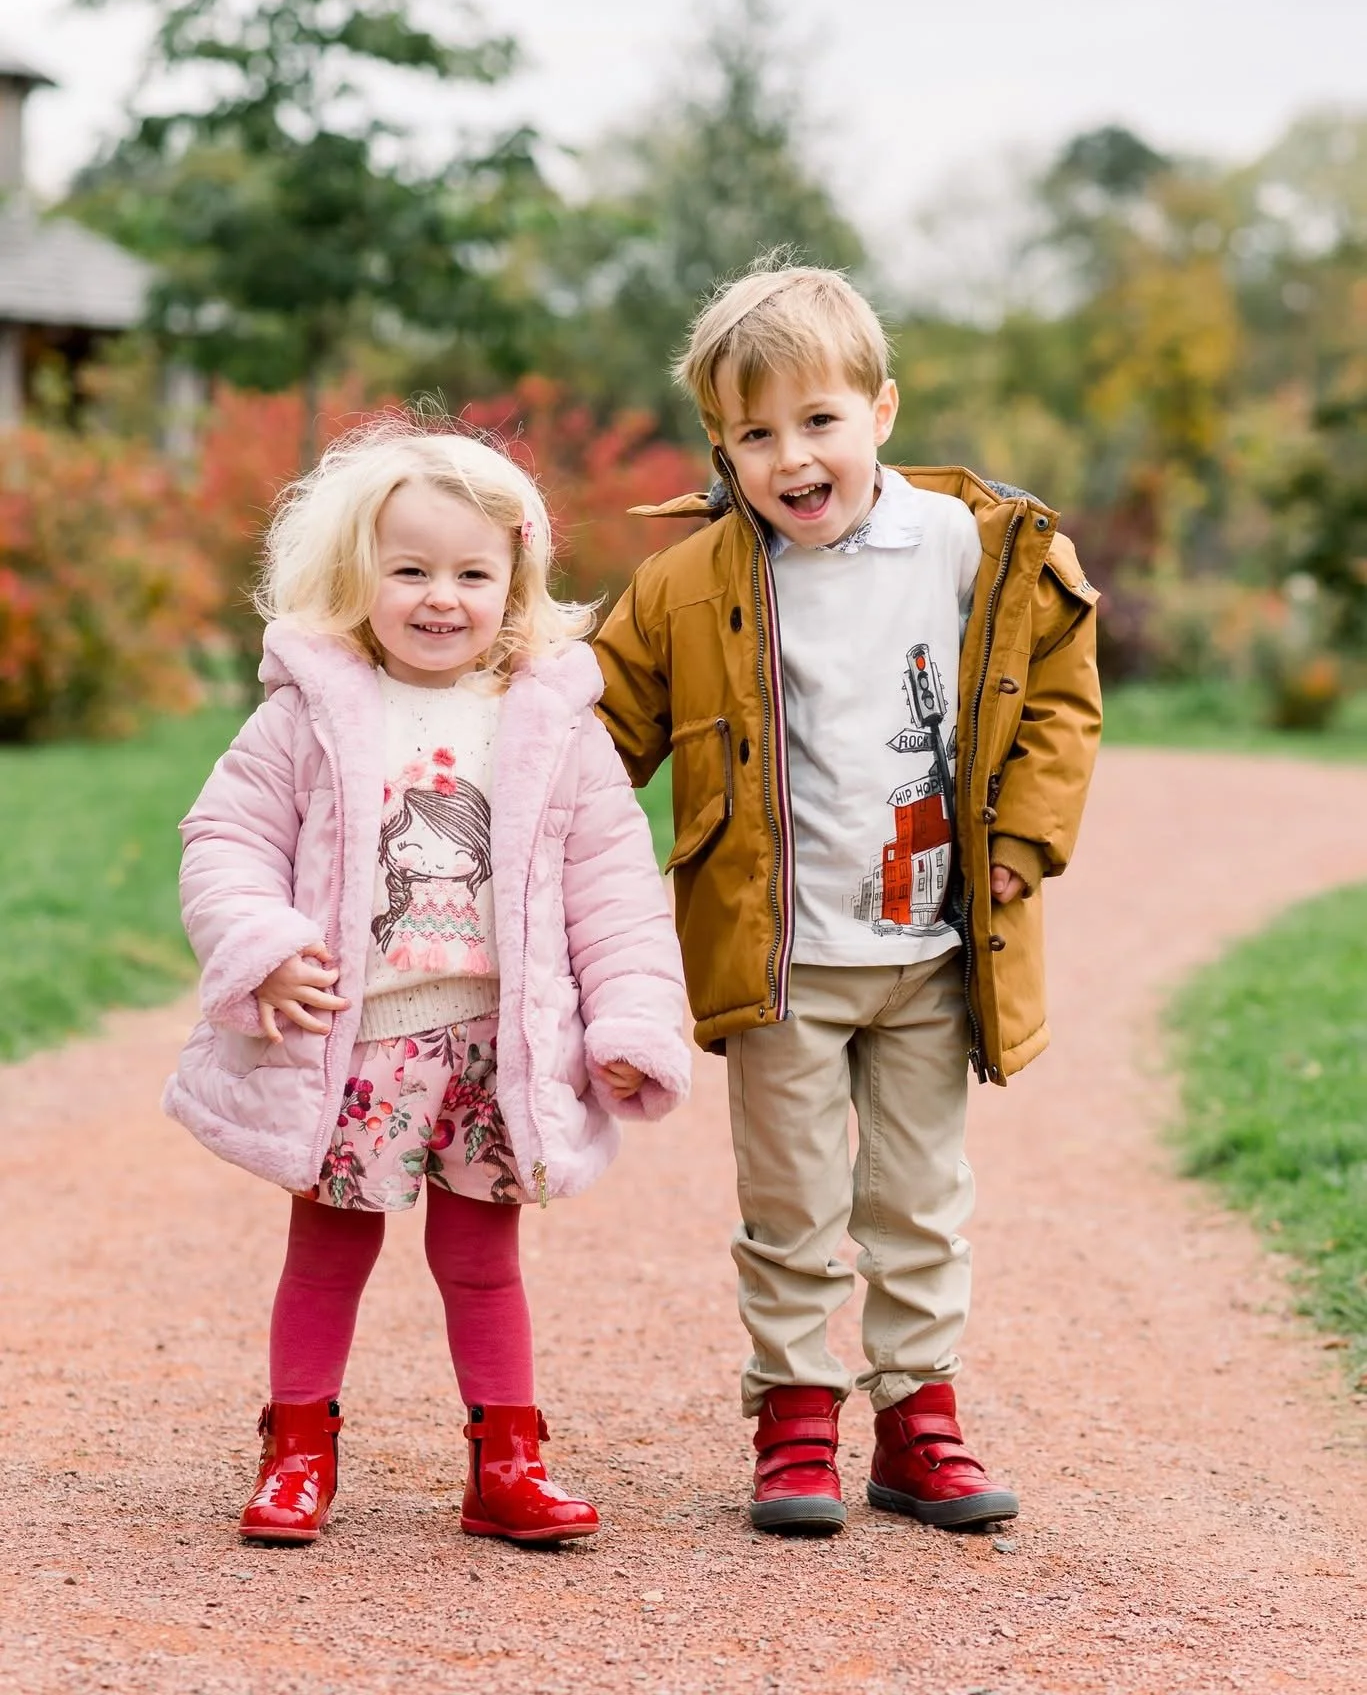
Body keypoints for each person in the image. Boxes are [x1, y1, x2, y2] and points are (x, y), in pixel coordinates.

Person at [594, 262, 1101, 1535]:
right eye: (753, 434)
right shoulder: (692, 582)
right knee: (791, 1204)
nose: (789, 456)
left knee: (920, 1197)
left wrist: (1022, 842)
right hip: (781, 956)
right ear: (720, 446)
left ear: (879, 410)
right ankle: (794, 1416)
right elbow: (602, 725)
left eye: (815, 420)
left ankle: (916, 1415)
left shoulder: (971, 543)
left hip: (932, 945)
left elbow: (1054, 688)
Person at [164, 419, 690, 1546]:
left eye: (470, 572)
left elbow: (614, 888)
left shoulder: (552, 724)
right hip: (356, 1044)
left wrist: (631, 1015)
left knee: (480, 1257)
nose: (439, 596)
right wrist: (260, 940)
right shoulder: (309, 712)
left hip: (491, 1046)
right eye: (409, 570)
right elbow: (224, 839)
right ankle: (297, 1446)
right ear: (362, 577)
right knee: (329, 1245)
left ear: (516, 582)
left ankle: (507, 1456)